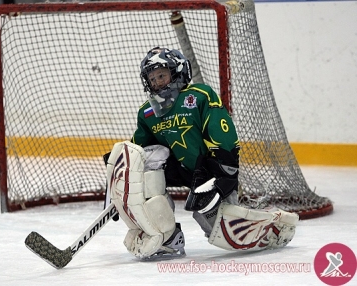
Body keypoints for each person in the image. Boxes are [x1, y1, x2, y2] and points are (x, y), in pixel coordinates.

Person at [105, 47, 298, 260]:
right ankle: (167, 238)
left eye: (162, 75)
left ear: (177, 72)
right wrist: (120, 173)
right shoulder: (147, 112)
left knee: (221, 227)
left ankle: (275, 227)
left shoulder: (198, 96)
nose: (157, 82)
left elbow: (221, 131)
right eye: (152, 79)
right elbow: (139, 149)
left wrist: (226, 169)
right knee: (144, 168)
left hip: (208, 169)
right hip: (176, 167)